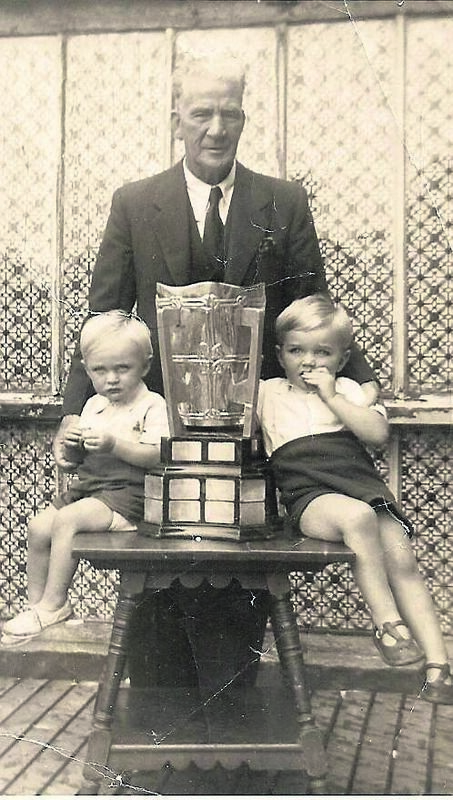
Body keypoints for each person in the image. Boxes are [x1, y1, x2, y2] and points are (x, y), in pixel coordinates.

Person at [53, 54, 379, 695]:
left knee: (239, 574)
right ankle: (157, 720)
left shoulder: (283, 201)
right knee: (157, 580)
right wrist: (72, 415)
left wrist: (361, 393)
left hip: (252, 429)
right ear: (176, 119)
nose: (216, 127)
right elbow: (104, 316)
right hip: (157, 429)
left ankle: (231, 713)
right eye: (202, 113)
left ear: (245, 119)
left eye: (230, 113)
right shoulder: (134, 202)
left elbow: (312, 307)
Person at [256, 293, 453, 705]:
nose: (308, 362)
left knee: (402, 560)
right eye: (296, 351)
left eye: (322, 353)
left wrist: (333, 397)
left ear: (343, 359)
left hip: (361, 486)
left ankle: (438, 666)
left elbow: (377, 434)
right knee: (357, 518)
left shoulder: (348, 390)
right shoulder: (267, 394)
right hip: (310, 496)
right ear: (279, 354)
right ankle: (386, 624)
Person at [1, 311, 169, 644]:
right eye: (100, 370)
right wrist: (71, 450)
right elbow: (76, 464)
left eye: (122, 368)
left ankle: (54, 603)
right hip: (90, 490)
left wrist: (114, 444)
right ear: (88, 370)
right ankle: (38, 606)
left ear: (145, 366)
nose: (111, 379)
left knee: (67, 521)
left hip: (129, 496)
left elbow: (157, 455)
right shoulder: (93, 405)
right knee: (38, 527)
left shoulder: (151, 405)